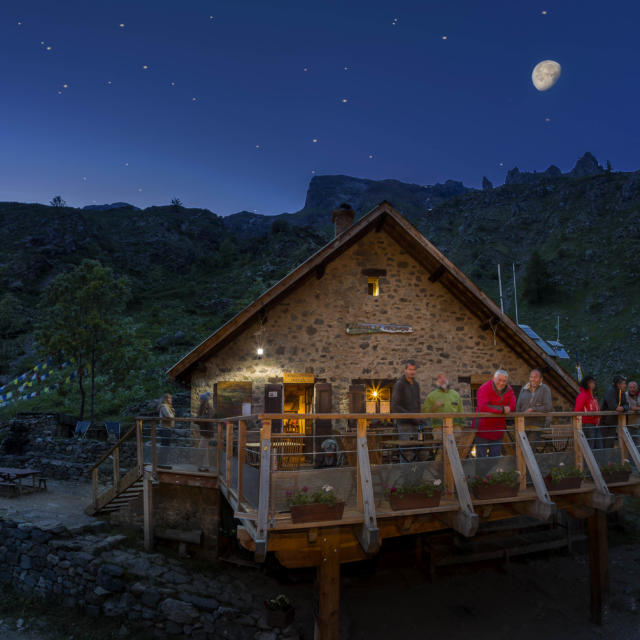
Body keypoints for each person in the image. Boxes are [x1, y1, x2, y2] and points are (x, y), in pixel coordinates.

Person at [474, 370, 516, 457]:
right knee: (481, 458)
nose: (501, 383)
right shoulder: (484, 388)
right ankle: (481, 471)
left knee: (495, 458)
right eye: (499, 380)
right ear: (493, 378)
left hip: (498, 430)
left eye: (504, 381)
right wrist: (502, 410)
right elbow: (483, 407)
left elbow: (512, 405)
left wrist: (507, 409)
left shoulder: (509, 389)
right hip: (483, 429)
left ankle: (490, 471)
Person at [391, 359, 423, 462]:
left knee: (417, 451)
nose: (412, 372)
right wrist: (409, 415)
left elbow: (418, 403)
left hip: (416, 424)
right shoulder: (399, 384)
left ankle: (414, 475)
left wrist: (418, 416)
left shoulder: (416, 385)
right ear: (405, 369)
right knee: (406, 452)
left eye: (414, 370)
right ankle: (406, 476)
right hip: (404, 423)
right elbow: (395, 406)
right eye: (410, 369)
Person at [422, 372, 464, 447]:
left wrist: (461, 426)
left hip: (455, 428)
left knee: (457, 451)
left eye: (443, 377)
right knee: (441, 452)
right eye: (439, 378)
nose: (442, 379)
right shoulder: (431, 396)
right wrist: (435, 406)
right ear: (436, 382)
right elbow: (425, 412)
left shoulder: (455, 394)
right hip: (439, 428)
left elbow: (461, 411)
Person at [599, 375, 629, 447]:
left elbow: (627, 405)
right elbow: (614, 407)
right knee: (605, 445)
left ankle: (609, 457)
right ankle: (604, 458)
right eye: (623, 383)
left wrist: (623, 408)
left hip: (613, 423)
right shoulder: (610, 391)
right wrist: (622, 408)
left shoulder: (622, 392)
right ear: (618, 384)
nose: (625, 385)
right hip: (605, 423)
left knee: (610, 444)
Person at [574, 376, 601, 448]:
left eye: (593, 382)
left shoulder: (592, 396)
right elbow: (577, 411)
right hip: (587, 424)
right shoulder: (582, 396)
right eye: (591, 382)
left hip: (595, 424)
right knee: (589, 447)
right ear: (586, 384)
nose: (593, 383)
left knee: (598, 447)